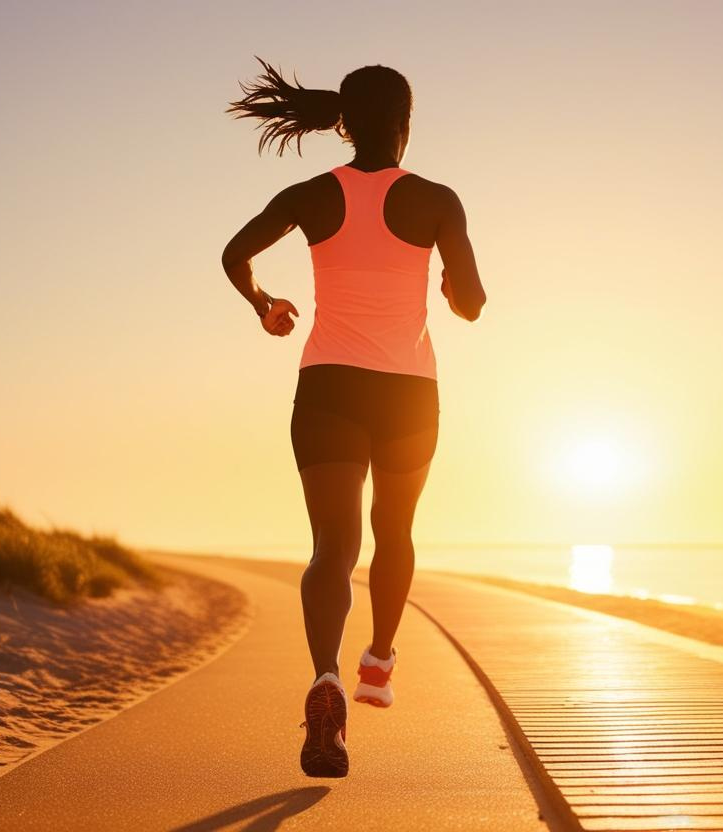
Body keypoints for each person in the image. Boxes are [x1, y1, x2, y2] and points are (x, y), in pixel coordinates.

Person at [221, 58, 486, 778]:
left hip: (329, 387)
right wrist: (446, 281)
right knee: (393, 531)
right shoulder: (437, 200)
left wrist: (264, 305)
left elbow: (234, 254)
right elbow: (471, 304)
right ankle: (377, 666)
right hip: (407, 392)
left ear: (342, 122)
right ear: (406, 126)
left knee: (331, 549)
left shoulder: (310, 194)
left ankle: (326, 677)